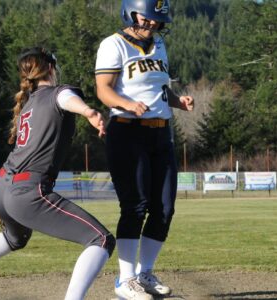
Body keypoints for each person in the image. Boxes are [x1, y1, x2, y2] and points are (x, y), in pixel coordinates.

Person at [0, 47, 116, 300]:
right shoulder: (58, 92)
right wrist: (87, 111)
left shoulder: (29, 103)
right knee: (101, 239)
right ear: (50, 68)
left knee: (14, 238)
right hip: (27, 191)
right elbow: (65, 99)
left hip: (2, 188)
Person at [94, 1, 194, 299]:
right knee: (135, 206)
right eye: (147, 18)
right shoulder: (114, 44)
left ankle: (145, 273)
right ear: (132, 12)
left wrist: (178, 102)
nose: (152, 24)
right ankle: (125, 281)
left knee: (164, 208)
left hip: (161, 134)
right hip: (128, 131)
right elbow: (103, 89)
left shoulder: (159, 44)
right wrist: (126, 103)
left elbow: (159, 87)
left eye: (157, 21)